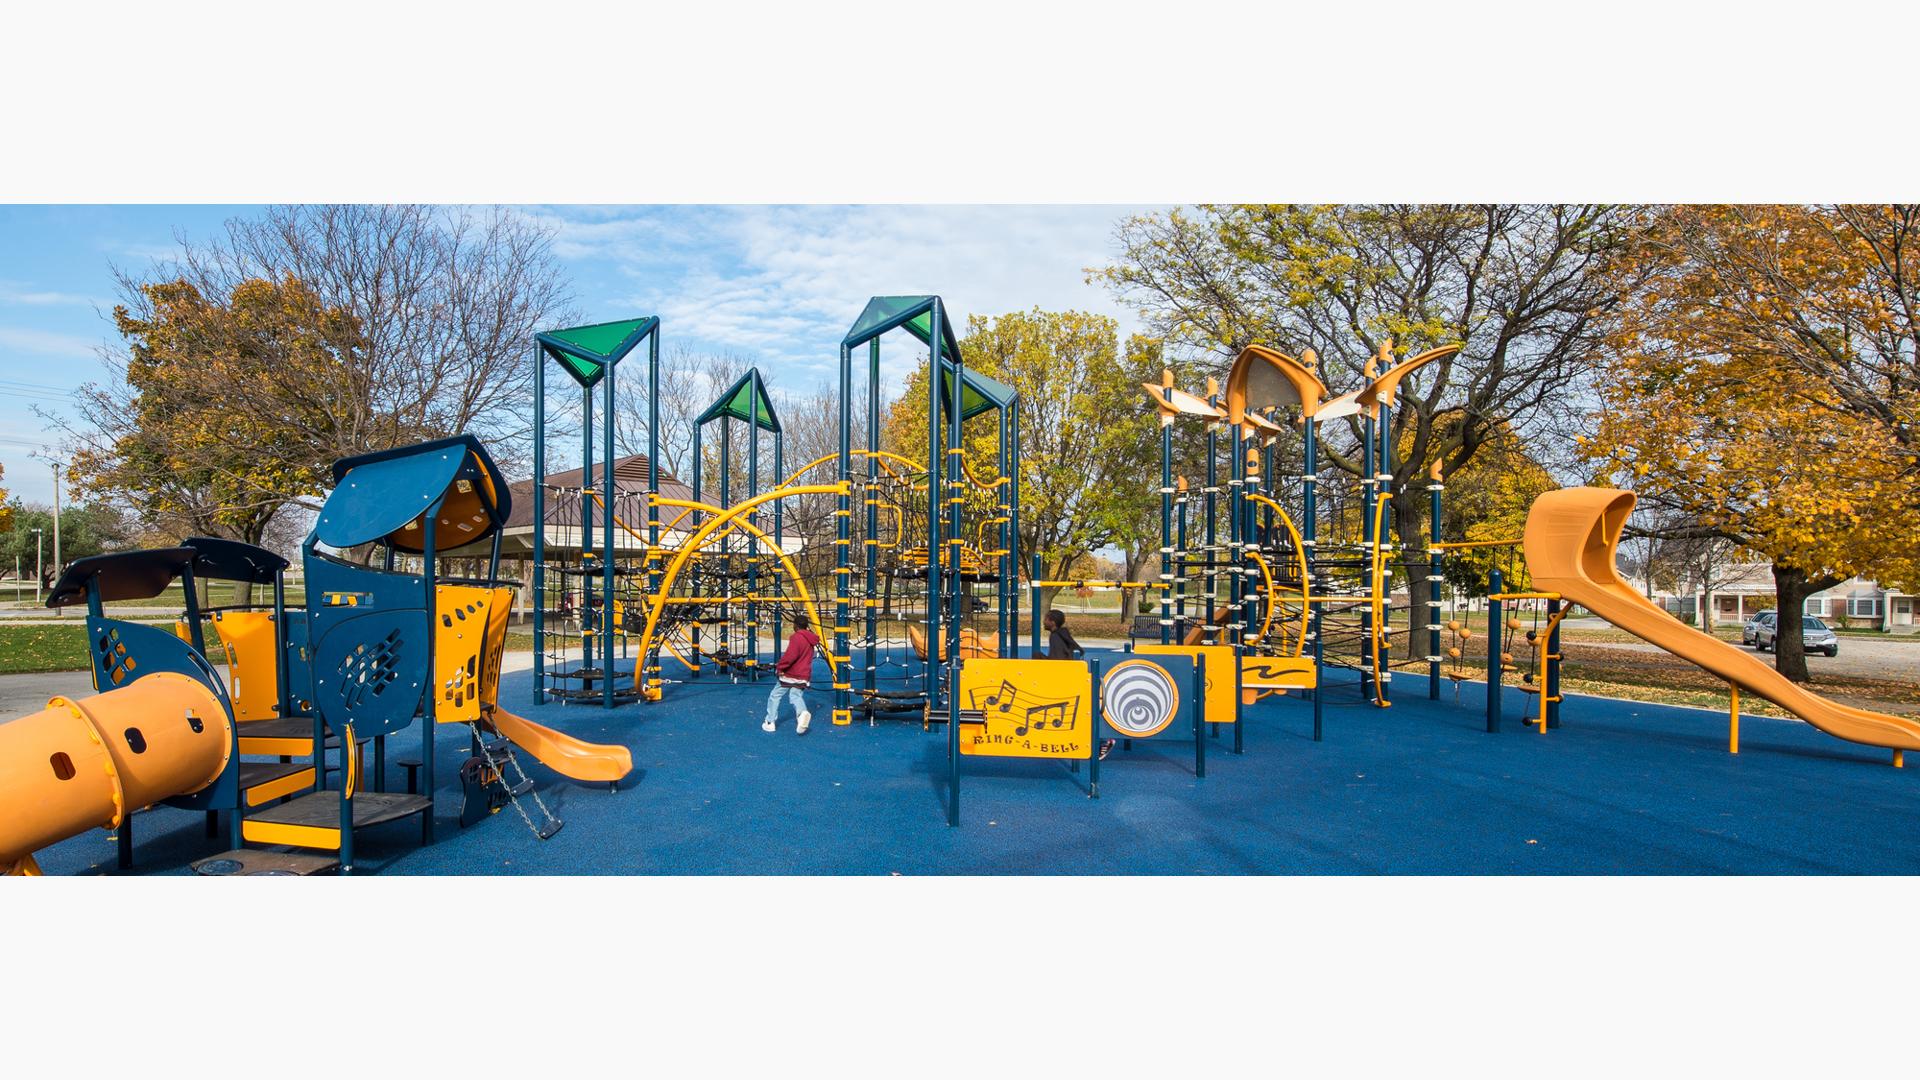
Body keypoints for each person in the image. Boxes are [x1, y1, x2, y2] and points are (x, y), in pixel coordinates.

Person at [1046, 609, 1111, 760]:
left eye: (1046, 619)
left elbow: (1057, 661)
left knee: (1075, 715)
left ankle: (1099, 744)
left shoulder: (1056, 637)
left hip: (1065, 681)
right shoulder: (1063, 634)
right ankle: (1098, 743)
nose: (1044, 622)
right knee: (1080, 714)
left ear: (1052, 622)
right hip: (1072, 679)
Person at [766, 612, 821, 735]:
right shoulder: (811, 639)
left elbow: (790, 656)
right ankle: (802, 714)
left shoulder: (796, 637)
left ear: (795, 626)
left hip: (790, 674)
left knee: (775, 695)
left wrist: (780, 667)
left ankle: (770, 722)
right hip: (804, 675)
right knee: (796, 696)